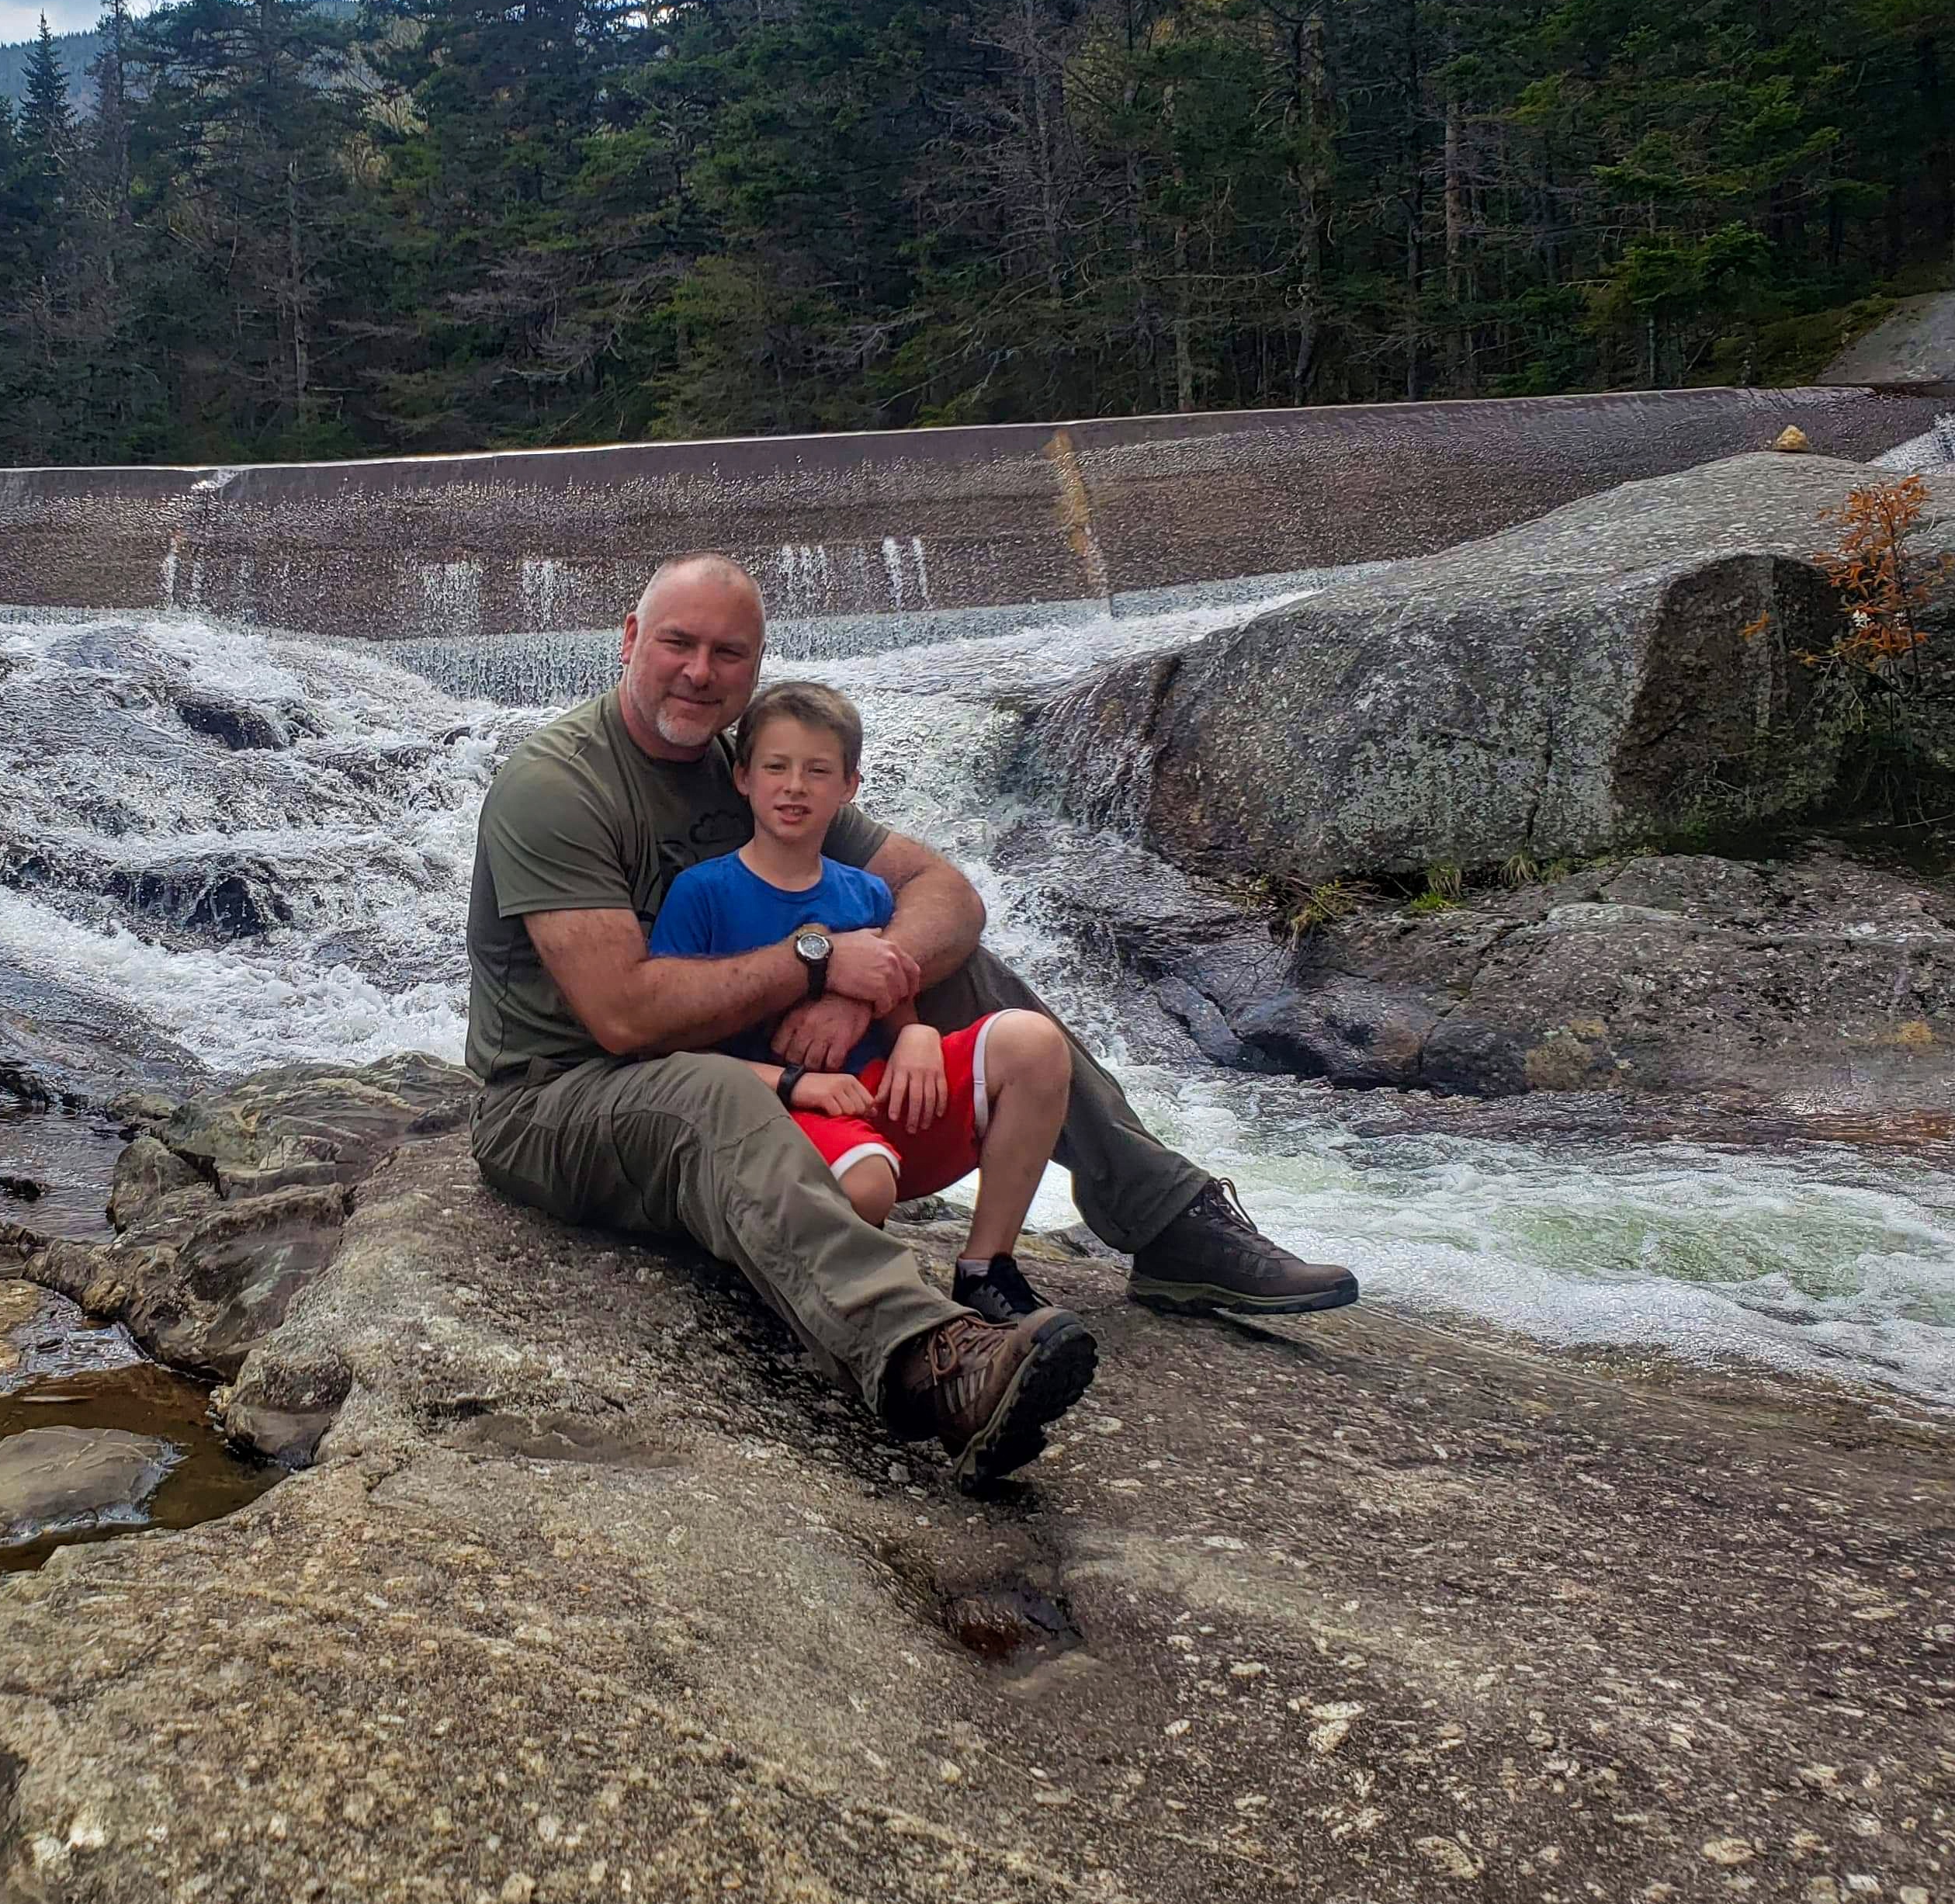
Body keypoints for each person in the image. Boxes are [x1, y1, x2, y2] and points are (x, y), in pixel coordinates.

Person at [464, 553, 1357, 1491]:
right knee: (710, 1088)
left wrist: (861, 988)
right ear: (629, 640)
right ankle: (931, 1360)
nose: (699, 672)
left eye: (729, 653)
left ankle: (1164, 1218)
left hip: (740, 1062)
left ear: (757, 665)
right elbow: (624, 1016)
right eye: (678, 643)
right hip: (559, 1099)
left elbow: (945, 895)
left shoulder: (753, 769)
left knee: (955, 970)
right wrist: (817, 957)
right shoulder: (559, 785)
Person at [647, 678, 1071, 1324]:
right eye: (776, 767)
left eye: (817, 771)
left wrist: (916, 1035)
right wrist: (797, 1084)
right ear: (743, 779)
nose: (795, 787)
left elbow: (892, 1000)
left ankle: (986, 1268)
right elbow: (672, 1049)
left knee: (1034, 1044)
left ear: (849, 787)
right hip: (774, 1115)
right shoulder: (701, 894)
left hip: (873, 1097)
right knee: (868, 1186)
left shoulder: (867, 894)